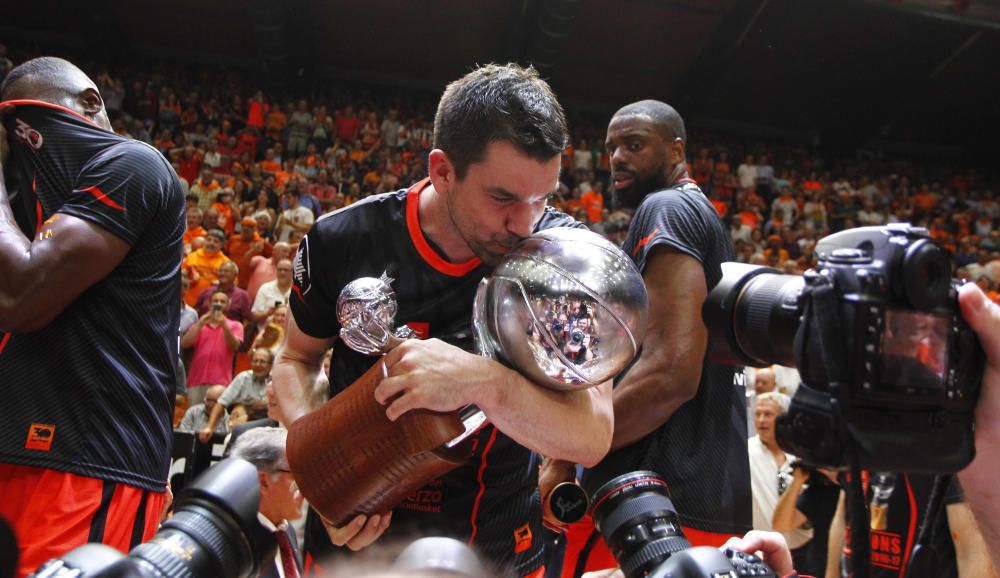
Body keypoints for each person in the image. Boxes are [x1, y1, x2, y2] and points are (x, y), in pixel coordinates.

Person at [272, 63, 612, 577]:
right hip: (357, 547)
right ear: (442, 170)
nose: (524, 225)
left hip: (499, 551)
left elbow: (591, 434)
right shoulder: (342, 239)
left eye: (542, 198)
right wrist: (326, 474)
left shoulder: (562, 261)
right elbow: (296, 358)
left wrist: (484, 381)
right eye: (503, 198)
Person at [0, 57, 184, 576]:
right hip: (19, 446)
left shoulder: (133, 164)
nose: (24, 146)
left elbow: (22, 295)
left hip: (91, 461)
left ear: (90, 103)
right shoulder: (26, 205)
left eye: (34, 131)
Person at [550, 100, 751, 576]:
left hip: (649, 505)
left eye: (634, 145)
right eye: (611, 148)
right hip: (698, 495)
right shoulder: (696, 212)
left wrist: (568, 448)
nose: (617, 157)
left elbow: (670, 371)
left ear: (676, 149)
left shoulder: (668, 207)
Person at [747, 392, 812, 571]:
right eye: (757, 414)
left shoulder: (801, 454)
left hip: (804, 551)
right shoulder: (745, 451)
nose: (761, 420)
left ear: (784, 418)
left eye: (768, 414)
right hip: (763, 552)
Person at [229, 427, 305, 578]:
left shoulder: (285, 529)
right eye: (296, 475)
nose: (305, 486)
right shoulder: (234, 545)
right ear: (263, 482)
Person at [181, 290, 244, 405]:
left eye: (222, 301)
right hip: (196, 380)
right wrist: (200, 324)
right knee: (194, 415)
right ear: (209, 304)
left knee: (216, 418)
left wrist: (224, 325)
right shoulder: (199, 324)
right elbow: (185, 344)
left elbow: (234, 346)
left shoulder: (236, 325)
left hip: (220, 382)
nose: (218, 304)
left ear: (228, 305)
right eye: (215, 301)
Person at [200, 348, 274, 442]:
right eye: (255, 361)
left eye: (262, 362)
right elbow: (221, 403)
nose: (258, 364)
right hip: (243, 424)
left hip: (267, 425)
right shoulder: (243, 378)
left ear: (271, 365)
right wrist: (209, 427)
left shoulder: (276, 380)